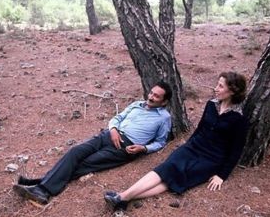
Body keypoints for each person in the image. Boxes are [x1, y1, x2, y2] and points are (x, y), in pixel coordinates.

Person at [105, 72, 249, 210]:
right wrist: (188, 146)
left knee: (175, 178)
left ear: (232, 91)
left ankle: (123, 198)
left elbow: (236, 150)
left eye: (220, 86)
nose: (215, 88)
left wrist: (222, 175)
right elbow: (200, 129)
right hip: (193, 147)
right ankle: (124, 197)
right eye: (217, 84)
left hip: (211, 159)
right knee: (167, 167)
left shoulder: (239, 118)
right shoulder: (211, 104)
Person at [14, 82, 172, 204]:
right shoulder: (136, 104)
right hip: (109, 134)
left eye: (157, 96)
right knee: (75, 152)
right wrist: (114, 129)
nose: (151, 97)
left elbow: (160, 142)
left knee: (87, 163)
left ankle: (42, 187)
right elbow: (117, 118)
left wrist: (143, 148)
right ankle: (42, 182)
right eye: (151, 93)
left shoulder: (164, 118)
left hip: (125, 147)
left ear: (164, 102)